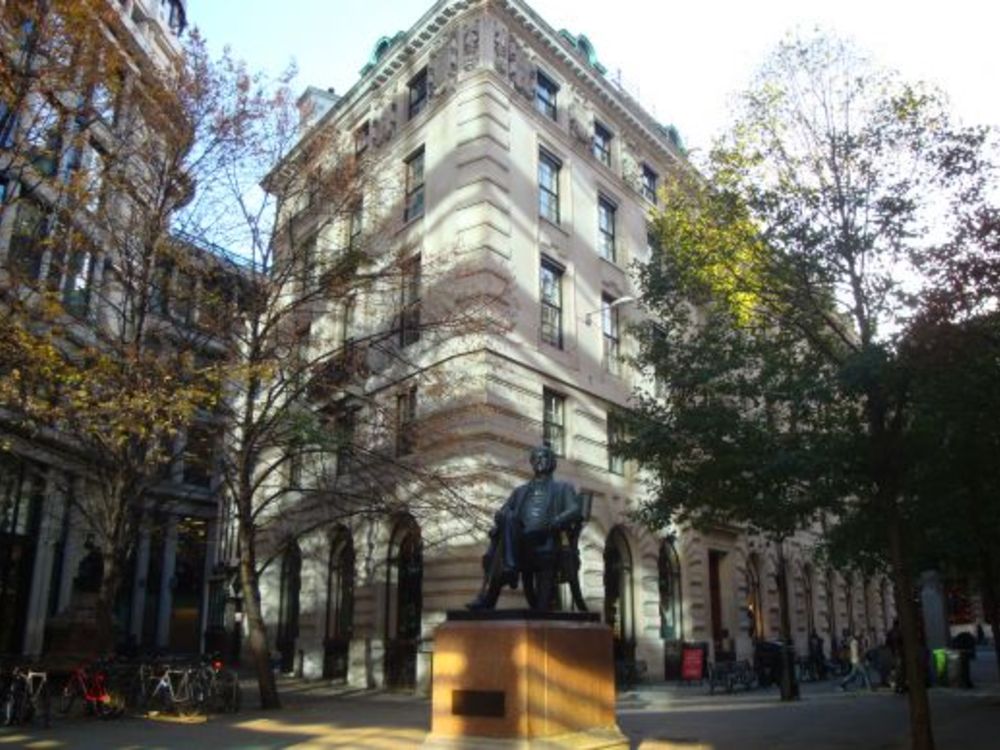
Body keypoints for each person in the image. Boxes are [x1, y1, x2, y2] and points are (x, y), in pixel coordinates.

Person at [467, 444, 585, 611]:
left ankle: (505, 575)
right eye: (535, 458)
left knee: (505, 544)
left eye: (543, 456)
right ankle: (509, 570)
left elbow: (575, 510)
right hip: (520, 545)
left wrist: (554, 522)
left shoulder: (563, 488)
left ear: (552, 462)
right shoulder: (520, 491)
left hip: (546, 542)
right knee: (508, 517)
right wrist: (502, 518)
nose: (539, 460)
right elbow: (502, 512)